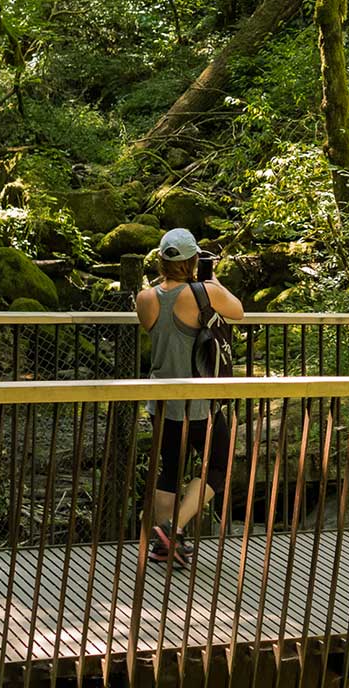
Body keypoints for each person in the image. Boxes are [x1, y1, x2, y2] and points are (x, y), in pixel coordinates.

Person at [136, 227, 245, 569]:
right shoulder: (204, 293)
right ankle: (174, 528)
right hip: (198, 401)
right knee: (220, 464)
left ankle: (164, 546)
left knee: (169, 468)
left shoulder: (145, 298)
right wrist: (211, 281)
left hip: (160, 399)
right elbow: (238, 311)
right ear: (193, 259)